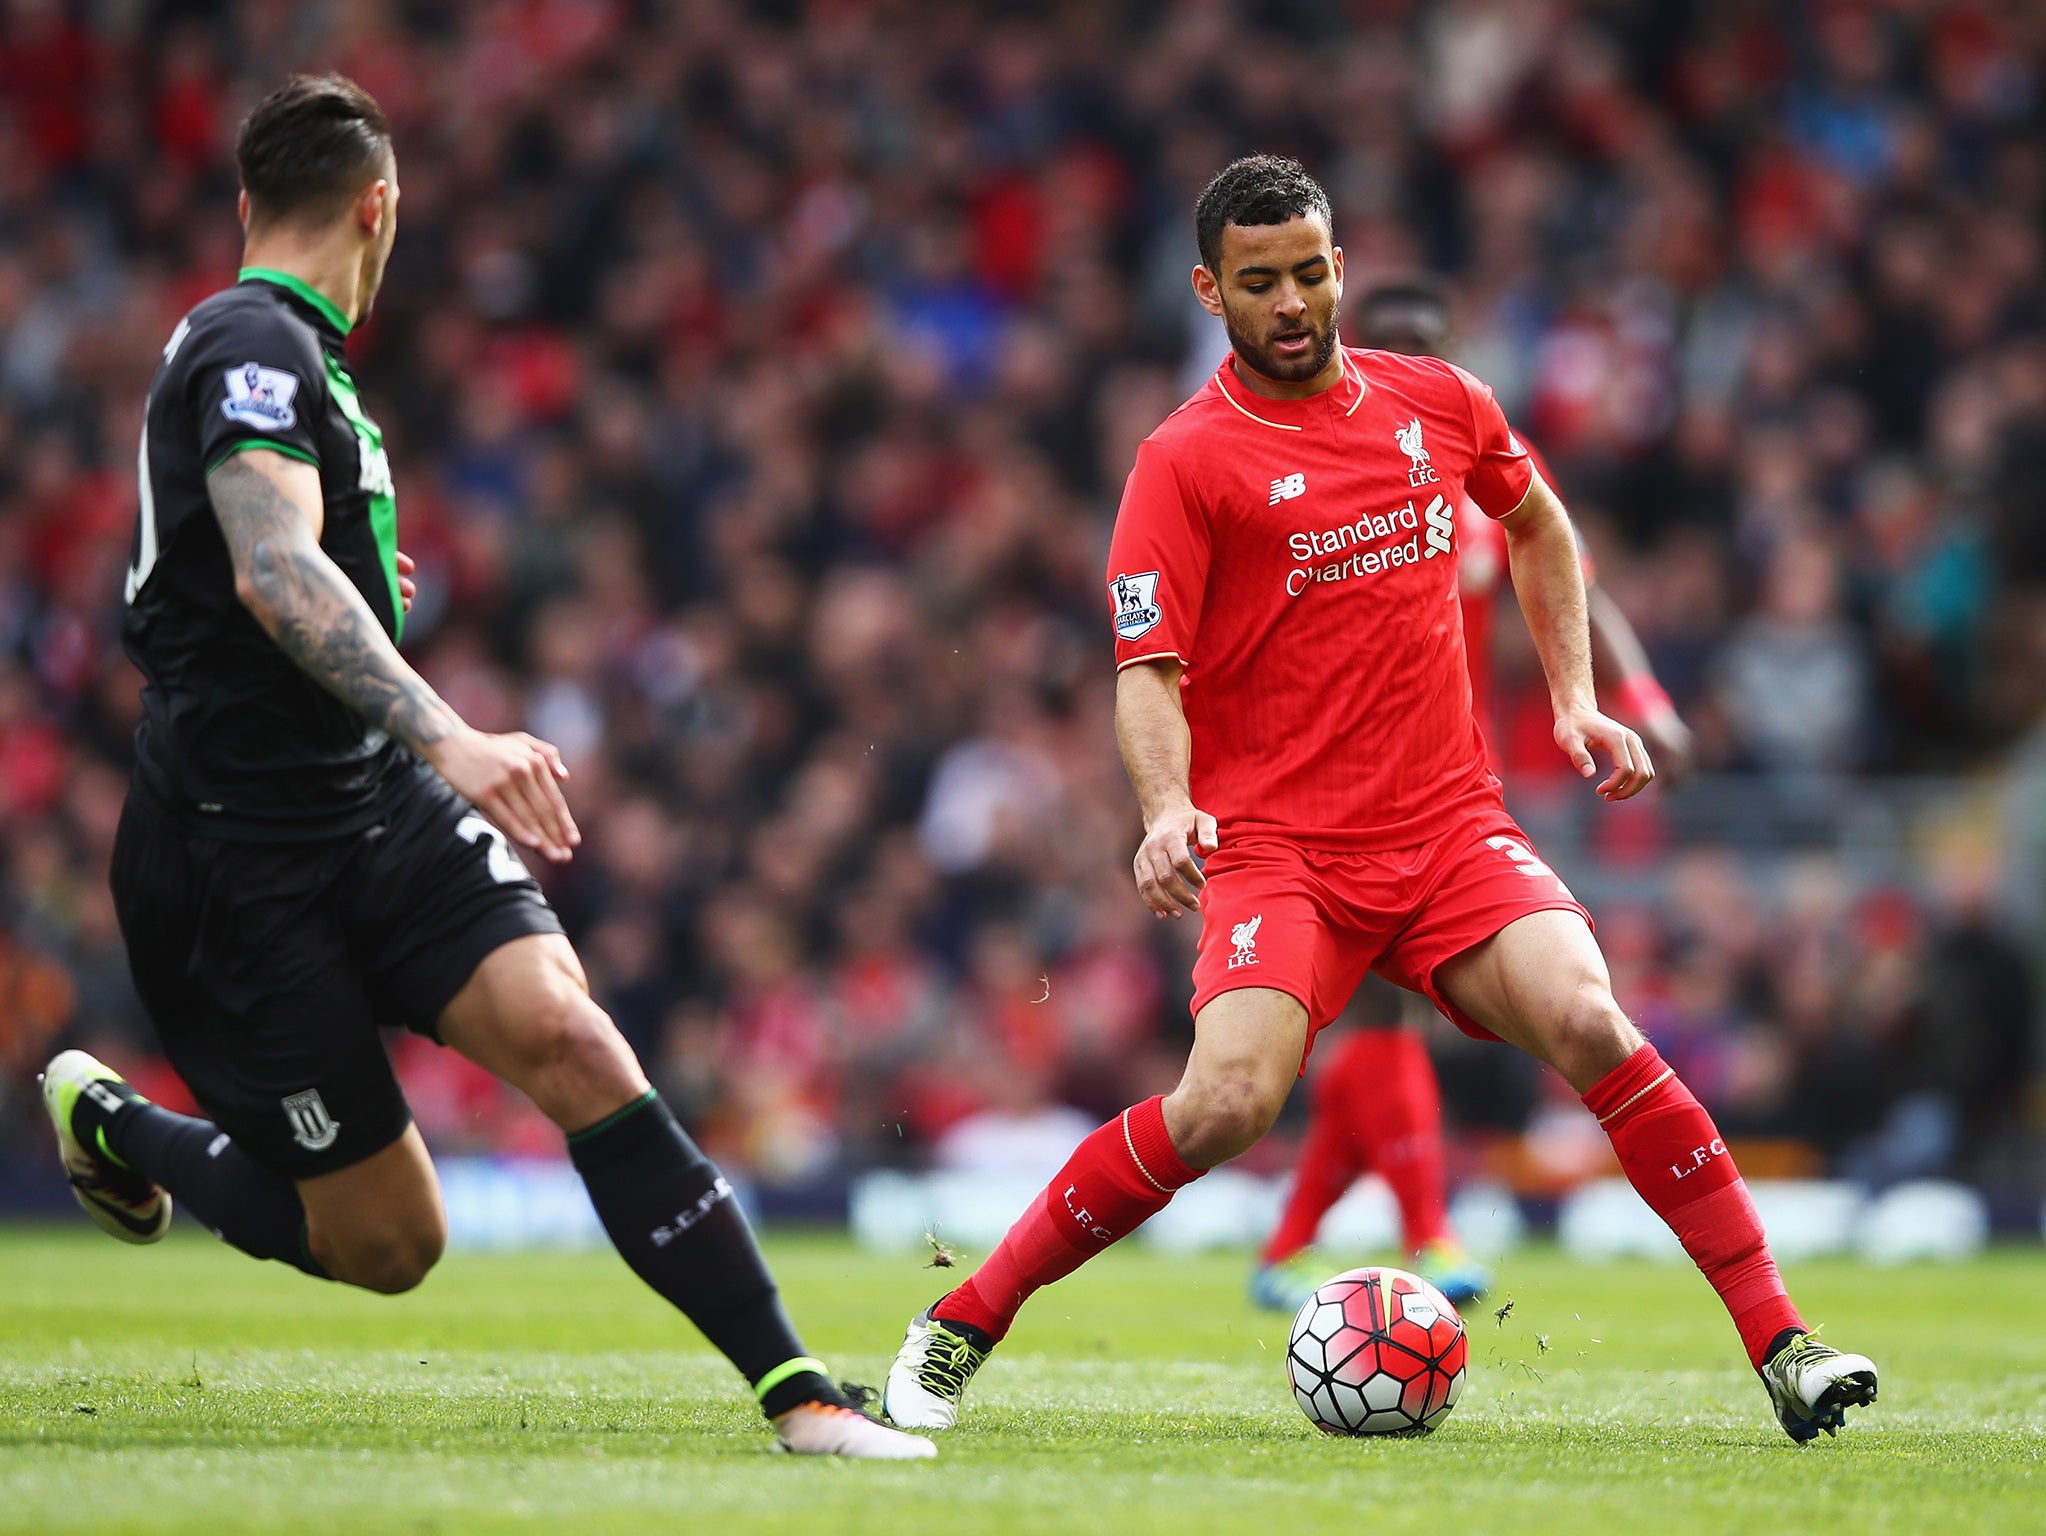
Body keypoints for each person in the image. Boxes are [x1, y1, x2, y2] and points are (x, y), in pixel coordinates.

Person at [881, 156, 1875, 1444]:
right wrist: (1166, 807)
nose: (1290, 303)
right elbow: (1147, 670)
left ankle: (1784, 1347)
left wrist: (1574, 700)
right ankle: (959, 1327)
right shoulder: (1182, 463)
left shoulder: (1441, 401)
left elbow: (1543, 530)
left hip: (1451, 831)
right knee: (1227, 1105)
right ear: (1209, 291)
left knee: (1592, 1019)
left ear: (1339, 266)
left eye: (1308, 272)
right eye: (1258, 283)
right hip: (1283, 853)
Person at [38, 74, 933, 1461]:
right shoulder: (250, 341)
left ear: (246, 205)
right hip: (235, 856)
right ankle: (108, 1115)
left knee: (574, 1037)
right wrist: (447, 730)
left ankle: (797, 1391)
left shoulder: (303, 364)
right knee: (389, 1245)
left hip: (364, 806)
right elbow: (273, 573)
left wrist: (365, 595)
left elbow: (270, 565)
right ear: (377, 207)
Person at [1246, 279, 1697, 1314]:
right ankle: (1425, 1232)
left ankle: (1297, 1243)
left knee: (1386, 1029)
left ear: (1450, 360)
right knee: (1380, 1024)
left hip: (1446, 795)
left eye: (1423, 348)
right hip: (1324, 800)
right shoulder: (1308, 474)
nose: (1404, 365)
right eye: (1385, 346)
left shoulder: (1487, 483)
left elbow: (1577, 579)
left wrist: (1641, 700)